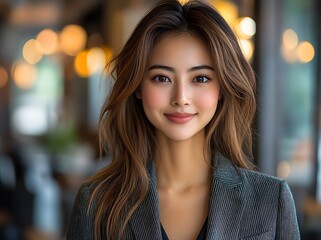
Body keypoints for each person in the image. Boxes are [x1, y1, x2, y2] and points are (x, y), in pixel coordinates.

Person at [67, 0, 301, 239]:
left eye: (200, 78)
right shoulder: (97, 203)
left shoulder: (271, 199)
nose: (181, 98)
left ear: (222, 87)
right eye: (162, 78)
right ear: (138, 86)